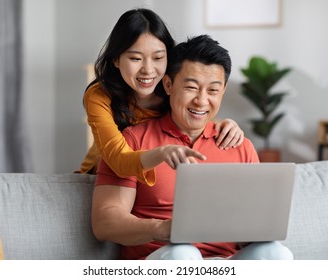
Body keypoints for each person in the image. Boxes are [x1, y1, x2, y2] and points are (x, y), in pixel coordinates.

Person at [91, 34, 293, 260]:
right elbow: (105, 223)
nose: (202, 101)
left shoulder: (240, 145)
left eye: (213, 90)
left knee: (275, 253)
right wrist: (162, 229)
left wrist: (258, 230)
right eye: (191, 87)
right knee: (182, 253)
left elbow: (251, 228)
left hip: (225, 263)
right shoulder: (132, 142)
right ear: (168, 85)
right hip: (165, 258)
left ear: (223, 91)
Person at [77, 8, 244, 186]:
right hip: (99, 177)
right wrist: (162, 153)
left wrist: (225, 125)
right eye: (136, 58)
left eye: (158, 58)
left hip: (148, 181)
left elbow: (197, 114)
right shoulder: (99, 95)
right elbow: (119, 160)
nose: (148, 70)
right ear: (116, 60)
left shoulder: (171, 88)